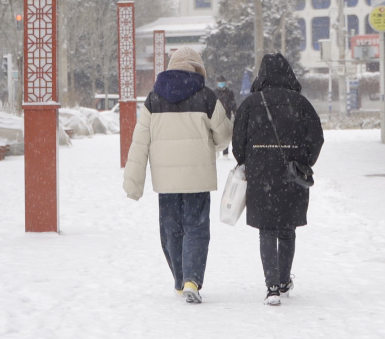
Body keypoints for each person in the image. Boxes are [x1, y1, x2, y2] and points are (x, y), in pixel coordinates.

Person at [123, 46, 232, 304]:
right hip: (198, 175)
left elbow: (140, 143)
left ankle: (180, 280)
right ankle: (192, 279)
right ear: (197, 68)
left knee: (171, 229)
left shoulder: (154, 98)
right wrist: (212, 146)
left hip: (167, 180)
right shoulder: (206, 96)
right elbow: (226, 134)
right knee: (196, 226)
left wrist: (133, 183)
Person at [232, 53, 324, 306]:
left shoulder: (251, 104)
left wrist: (248, 161)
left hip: (261, 175)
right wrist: (304, 162)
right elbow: (316, 138)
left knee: (266, 230)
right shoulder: (301, 103)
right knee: (287, 229)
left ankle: (271, 285)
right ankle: (283, 281)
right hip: (291, 174)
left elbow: (237, 144)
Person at [213, 76, 237, 159]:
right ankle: (216, 151)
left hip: (227, 115)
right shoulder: (214, 92)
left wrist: (235, 112)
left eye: (223, 81)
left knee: (226, 133)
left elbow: (233, 104)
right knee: (216, 133)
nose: (221, 83)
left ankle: (225, 152)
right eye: (220, 81)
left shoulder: (229, 92)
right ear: (217, 82)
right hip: (217, 116)